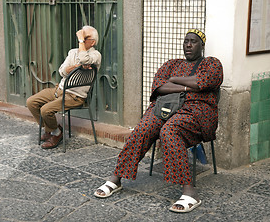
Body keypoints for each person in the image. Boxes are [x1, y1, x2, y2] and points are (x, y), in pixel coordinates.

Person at [94, 29, 223, 213]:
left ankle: (189, 191)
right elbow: (159, 86)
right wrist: (188, 85)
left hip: (196, 112)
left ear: (202, 45)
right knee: (143, 129)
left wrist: (175, 81)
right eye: (186, 41)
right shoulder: (171, 64)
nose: (188, 45)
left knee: (169, 131)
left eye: (193, 41)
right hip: (165, 108)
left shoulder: (211, 63)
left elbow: (205, 81)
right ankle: (117, 177)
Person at [27, 25, 101, 149]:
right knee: (31, 102)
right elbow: (62, 71)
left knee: (46, 110)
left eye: (84, 37)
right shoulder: (72, 52)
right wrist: (71, 69)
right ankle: (53, 129)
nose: (80, 39)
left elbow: (84, 59)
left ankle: (56, 133)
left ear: (92, 42)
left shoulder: (96, 55)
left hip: (75, 96)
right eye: (80, 36)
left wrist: (81, 44)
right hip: (59, 89)